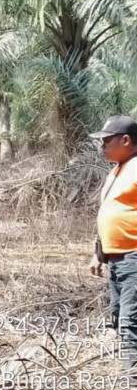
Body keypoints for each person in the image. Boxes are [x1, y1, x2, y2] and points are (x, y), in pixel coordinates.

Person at [89, 115, 137, 375]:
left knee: (132, 319)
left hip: (134, 258)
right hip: (117, 259)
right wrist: (99, 254)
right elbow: (107, 212)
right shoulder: (117, 170)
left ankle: (133, 376)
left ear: (126, 140)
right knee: (119, 316)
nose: (102, 146)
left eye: (106, 141)